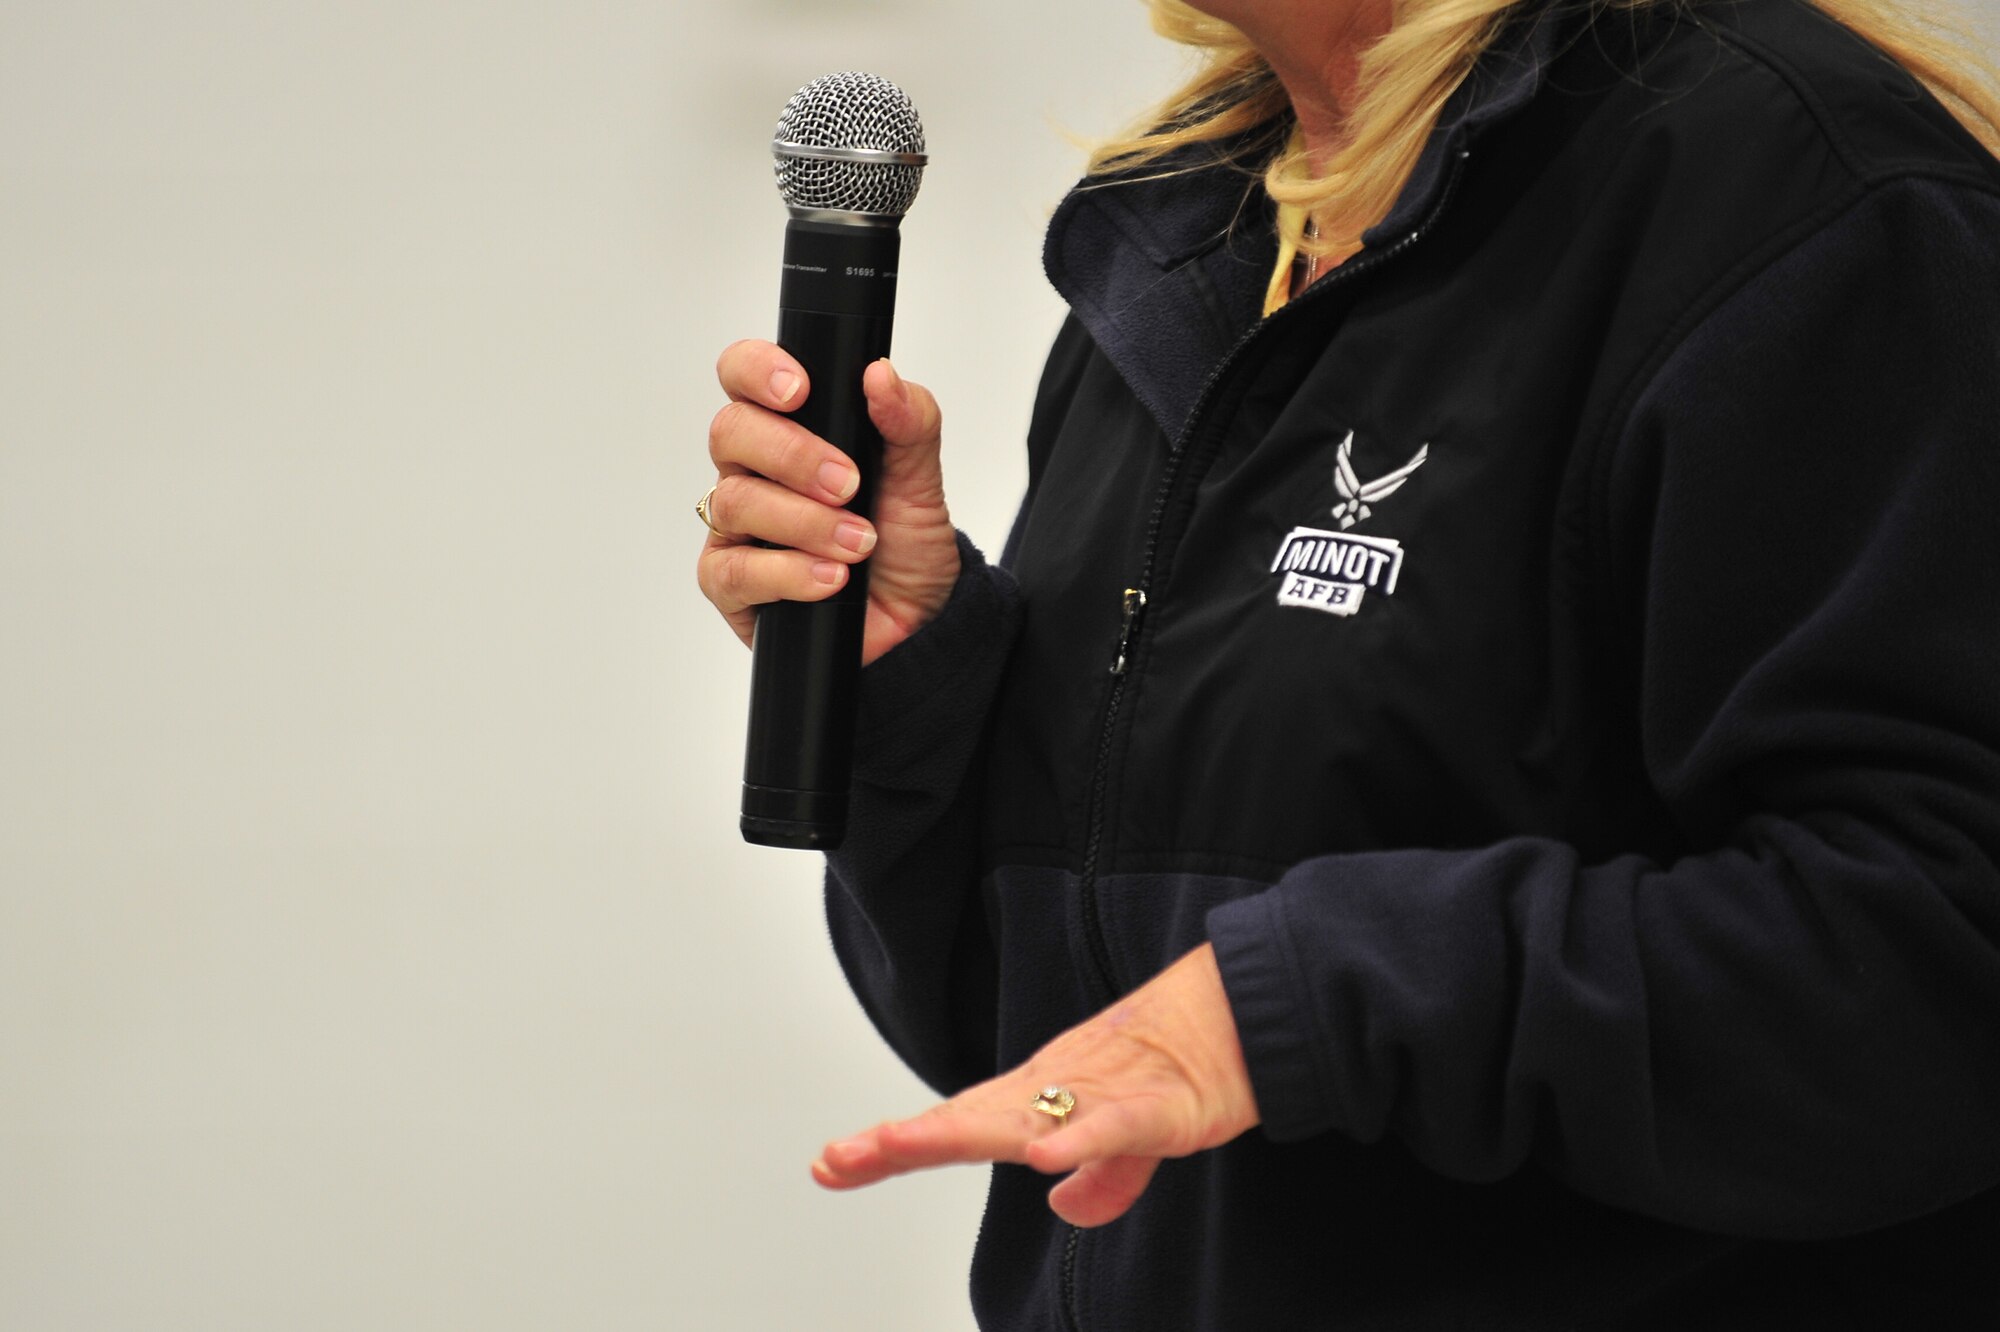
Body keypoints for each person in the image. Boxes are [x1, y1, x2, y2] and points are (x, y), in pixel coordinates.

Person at [698, 0, 2000, 1324]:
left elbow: (1941, 965)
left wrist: (1320, 997)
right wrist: (920, 692)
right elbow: (1061, 1052)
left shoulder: (1804, 200)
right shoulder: (1187, 236)